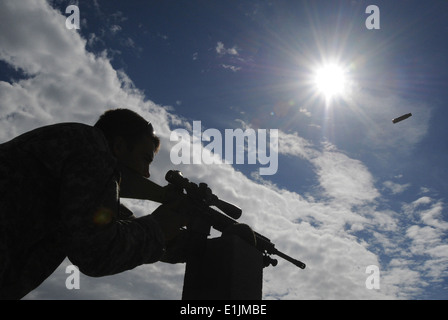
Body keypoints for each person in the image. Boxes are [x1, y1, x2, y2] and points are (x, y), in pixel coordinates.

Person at [0, 108, 187, 299]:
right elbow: (96, 251)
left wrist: (167, 242)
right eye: (145, 159)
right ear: (119, 146)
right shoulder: (93, 149)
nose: (147, 173)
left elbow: (113, 220)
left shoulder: (74, 150)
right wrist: (158, 229)